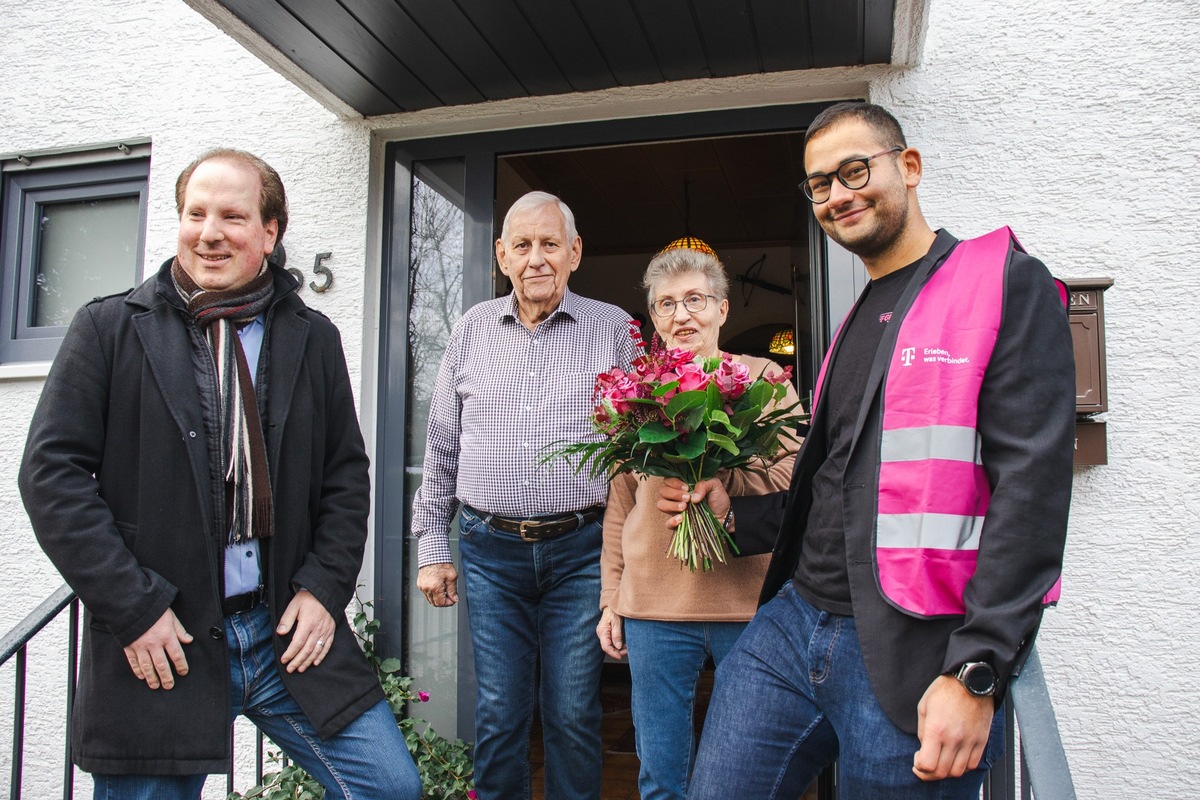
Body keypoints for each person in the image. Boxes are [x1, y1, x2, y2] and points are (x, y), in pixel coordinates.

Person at [663, 102, 1076, 799]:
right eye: (819, 185)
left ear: (908, 167)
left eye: (855, 171)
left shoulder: (999, 282)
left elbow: (1032, 494)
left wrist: (978, 671)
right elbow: (838, 484)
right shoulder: (859, 314)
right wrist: (736, 516)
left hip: (913, 649)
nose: (838, 195)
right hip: (793, 626)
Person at [19, 149, 422, 800]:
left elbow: (345, 475)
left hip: (280, 635)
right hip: (164, 639)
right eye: (195, 213)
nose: (209, 232)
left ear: (270, 231)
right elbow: (51, 476)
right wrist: (133, 607)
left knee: (391, 786)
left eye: (232, 215)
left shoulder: (311, 337)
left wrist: (324, 589)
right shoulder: (109, 328)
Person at [411, 190, 639, 799]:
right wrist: (433, 546)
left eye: (549, 243)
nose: (536, 258)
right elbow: (441, 447)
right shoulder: (470, 330)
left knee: (572, 714)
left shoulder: (615, 330)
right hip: (490, 552)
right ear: (501, 255)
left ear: (575, 252)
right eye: (522, 245)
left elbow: (646, 445)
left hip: (581, 551)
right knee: (498, 713)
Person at [596, 241, 801, 800]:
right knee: (661, 773)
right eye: (666, 304)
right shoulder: (635, 393)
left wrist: (727, 491)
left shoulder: (765, 384)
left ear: (722, 308)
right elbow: (620, 506)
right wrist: (611, 597)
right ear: (653, 318)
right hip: (653, 607)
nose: (681, 315)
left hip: (746, 603)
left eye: (694, 300)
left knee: (747, 771)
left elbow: (796, 484)